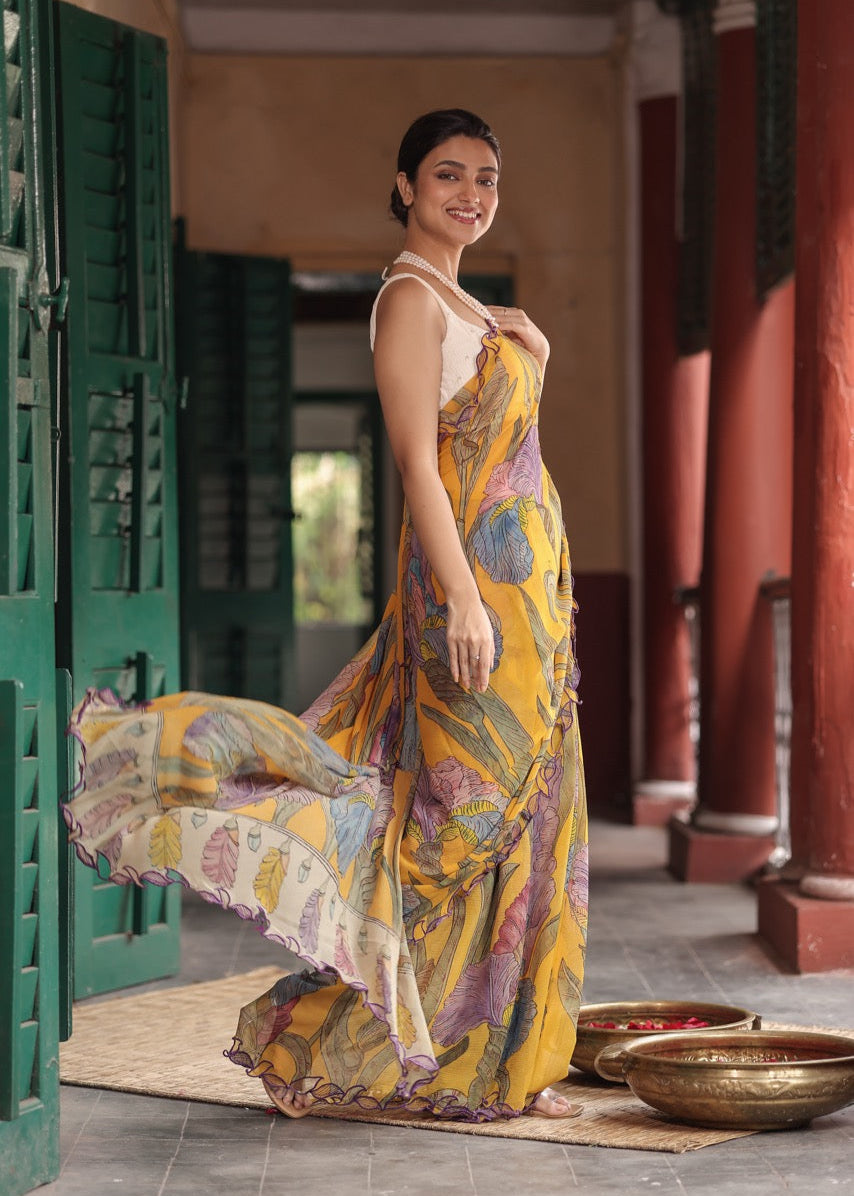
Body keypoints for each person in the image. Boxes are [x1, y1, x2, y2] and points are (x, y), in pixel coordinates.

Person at [64, 108, 588, 1123]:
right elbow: (419, 466)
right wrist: (467, 601)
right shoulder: (406, 300)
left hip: (527, 613)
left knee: (528, 819)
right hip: (470, 605)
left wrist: (527, 344)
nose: (470, 194)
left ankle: (508, 1064)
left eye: (485, 177)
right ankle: (357, 1044)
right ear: (402, 187)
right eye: (446, 175)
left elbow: (499, 450)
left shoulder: (467, 305)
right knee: (452, 826)